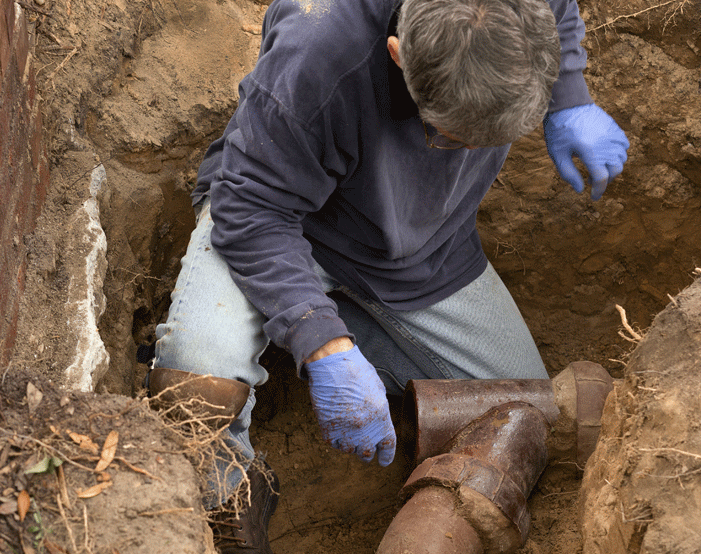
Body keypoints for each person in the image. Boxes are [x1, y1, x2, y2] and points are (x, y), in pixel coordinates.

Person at [147, 0, 629, 550]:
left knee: (530, 416)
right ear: (398, 55)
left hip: (422, 250)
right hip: (284, 224)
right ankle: (228, 499)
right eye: (450, 137)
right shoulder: (318, 47)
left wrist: (569, 100)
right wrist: (323, 345)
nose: (472, 150)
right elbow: (252, 209)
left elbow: (560, 12)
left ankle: (348, 324)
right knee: (197, 383)